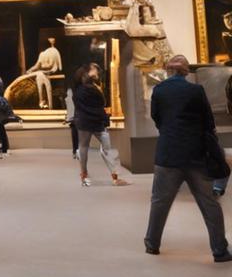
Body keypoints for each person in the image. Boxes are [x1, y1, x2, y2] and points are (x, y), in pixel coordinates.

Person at [144, 55, 231, 261]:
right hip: (195, 155)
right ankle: (219, 250)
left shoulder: (159, 90)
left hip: (168, 153)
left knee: (159, 202)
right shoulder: (195, 90)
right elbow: (208, 122)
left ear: (168, 70)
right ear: (185, 72)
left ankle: (152, 244)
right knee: (209, 203)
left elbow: (157, 118)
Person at [73, 63, 129, 187]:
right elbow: (101, 104)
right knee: (107, 148)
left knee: (83, 147)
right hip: (96, 121)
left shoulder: (77, 92)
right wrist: (103, 118)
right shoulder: (94, 89)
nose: (97, 72)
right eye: (94, 70)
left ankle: (84, 175)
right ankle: (115, 176)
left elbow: (82, 107)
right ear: (86, 74)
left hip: (84, 121)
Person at [64, 86, 79, 160]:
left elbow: (70, 110)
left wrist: (68, 118)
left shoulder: (70, 99)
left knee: (75, 136)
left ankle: (76, 151)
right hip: (75, 119)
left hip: (75, 119)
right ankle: (76, 151)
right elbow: (69, 110)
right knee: (76, 136)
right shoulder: (69, 99)